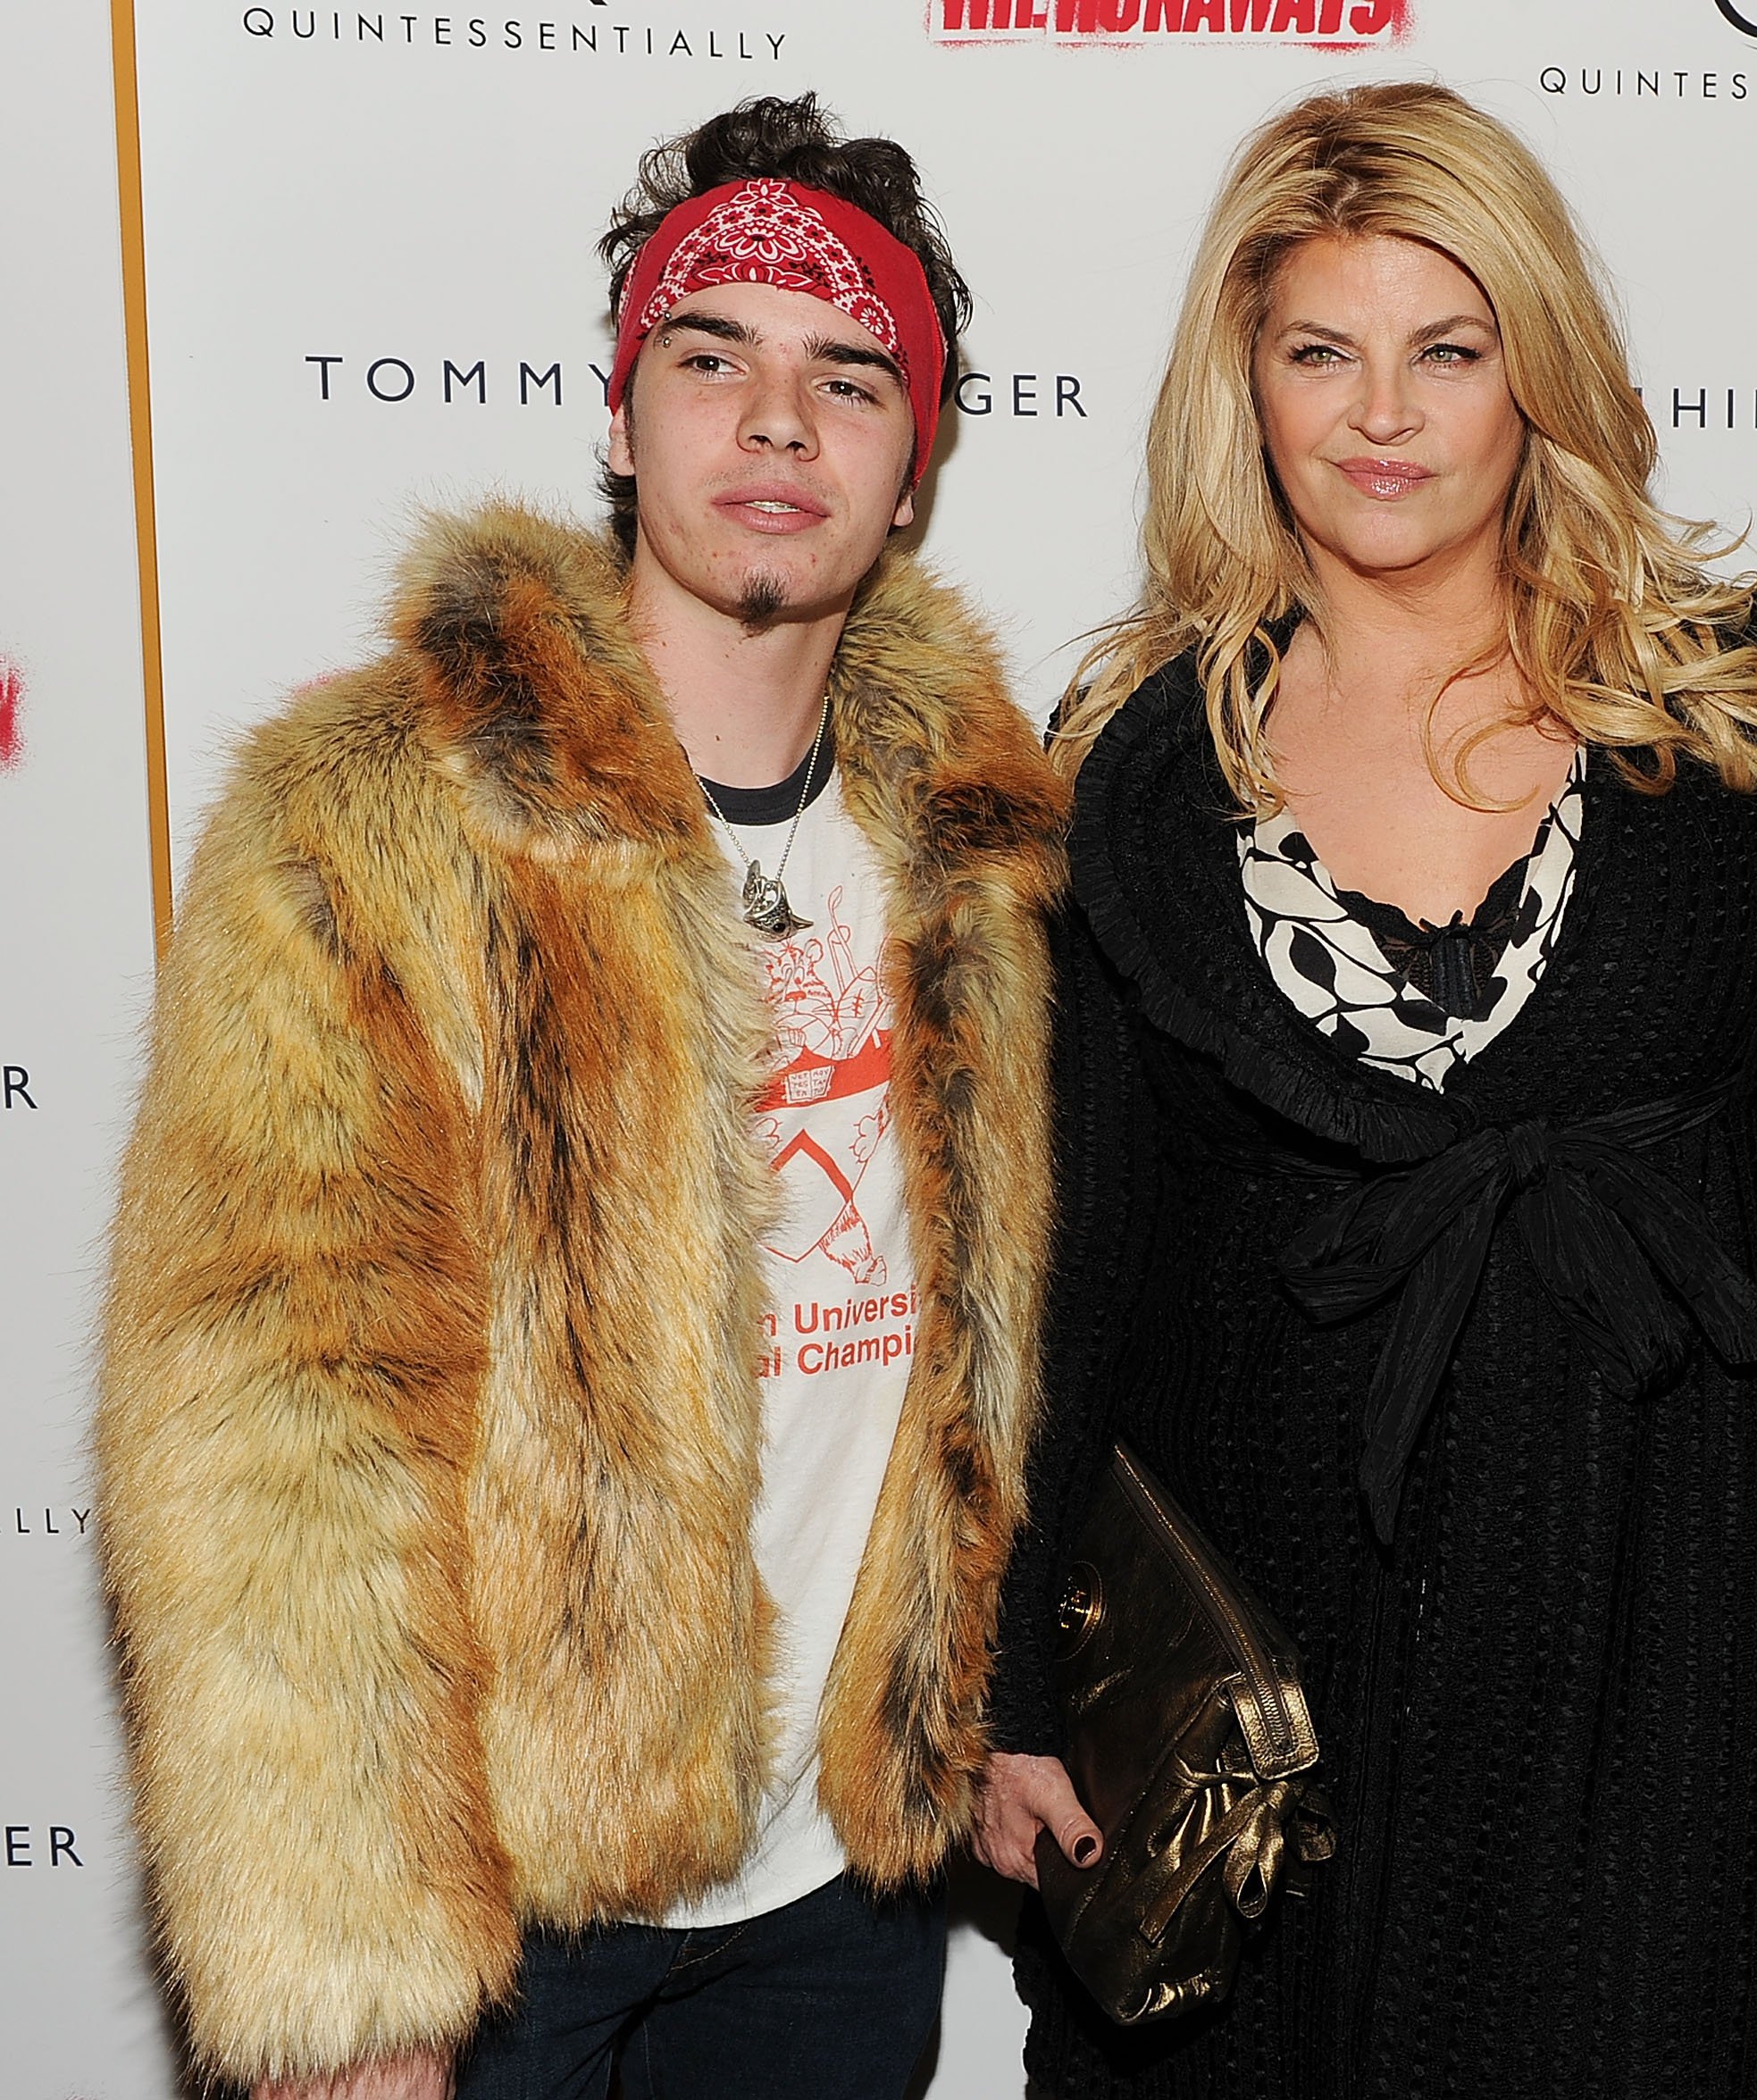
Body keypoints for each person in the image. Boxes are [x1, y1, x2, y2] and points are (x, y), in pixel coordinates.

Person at [95, 95, 1064, 2100]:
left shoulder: (982, 851)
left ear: (914, 475)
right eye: (713, 358)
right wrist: (347, 1971)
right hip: (499, 1917)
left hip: (835, 1897)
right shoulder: (373, 821)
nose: (778, 423)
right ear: (621, 421)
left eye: (849, 377)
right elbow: (271, 1407)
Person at [972, 81, 1757, 2097]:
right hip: (1269, 1647)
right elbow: (1074, 1255)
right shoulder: (1140, 767)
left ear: (1535, 370)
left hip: (1662, 1613)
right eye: (1320, 352)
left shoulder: (1745, 705)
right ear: (1244, 383)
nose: (1382, 414)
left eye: (1447, 349)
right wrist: (1016, 1680)